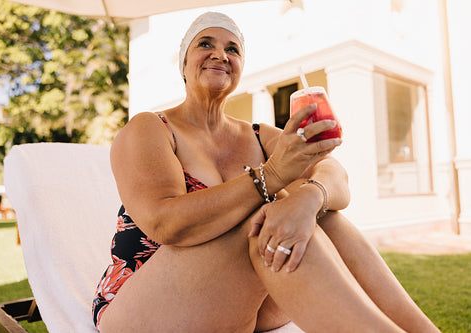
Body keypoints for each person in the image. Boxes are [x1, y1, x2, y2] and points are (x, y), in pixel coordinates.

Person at [92, 11, 440, 333]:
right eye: (205, 44)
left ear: (240, 67)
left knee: (322, 217)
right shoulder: (151, 128)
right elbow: (166, 224)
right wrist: (271, 178)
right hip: (145, 302)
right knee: (262, 222)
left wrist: (309, 198)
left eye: (233, 49)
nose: (220, 54)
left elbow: (337, 176)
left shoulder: (260, 136)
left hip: (244, 295)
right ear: (184, 64)